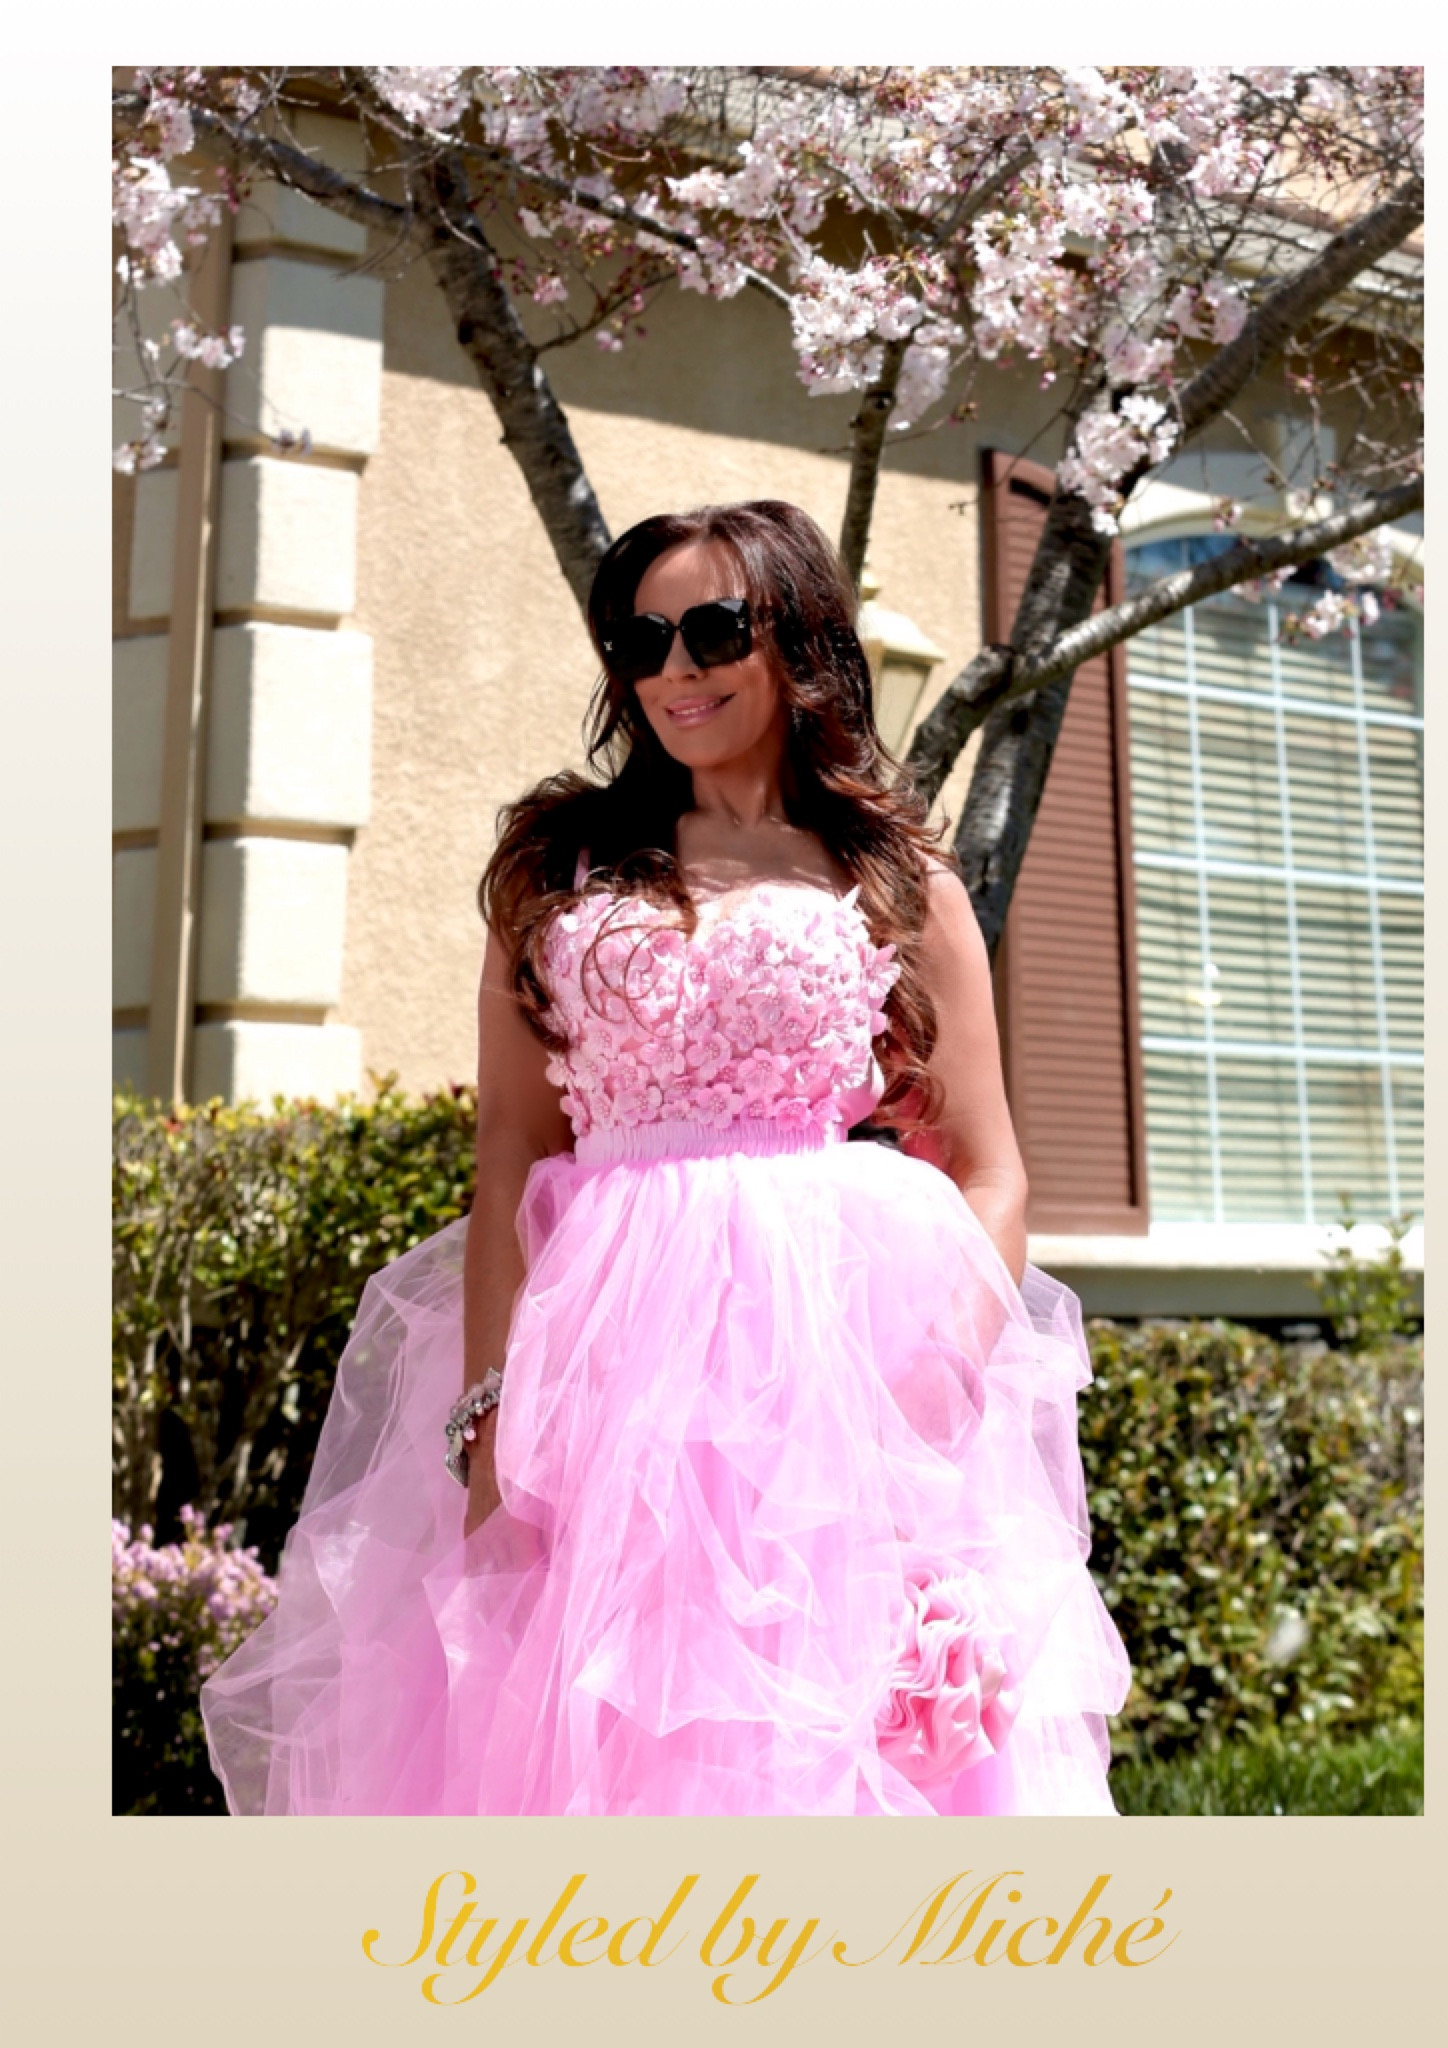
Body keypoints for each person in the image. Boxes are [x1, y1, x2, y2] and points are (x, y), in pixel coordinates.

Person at [201, 500, 1130, 1816]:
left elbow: (991, 1170)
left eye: (711, 631)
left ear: (799, 644)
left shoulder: (893, 876)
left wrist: (923, 1399)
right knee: (592, 1745)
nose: (675, 671)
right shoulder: (560, 865)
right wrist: (486, 1426)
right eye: (641, 639)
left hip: (838, 1382)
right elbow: (513, 1153)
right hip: (604, 1385)